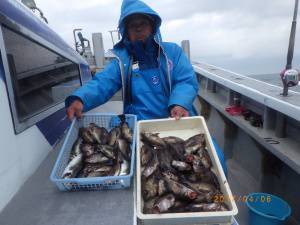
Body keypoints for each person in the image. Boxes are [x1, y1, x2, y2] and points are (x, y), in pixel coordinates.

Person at [65, 0, 198, 121]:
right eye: (133, 25)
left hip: (175, 119)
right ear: (126, 32)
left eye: (143, 23)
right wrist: (80, 98)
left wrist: (180, 103)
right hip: (139, 124)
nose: (138, 28)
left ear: (152, 26)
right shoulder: (122, 61)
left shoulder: (172, 52)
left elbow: (185, 81)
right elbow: (103, 82)